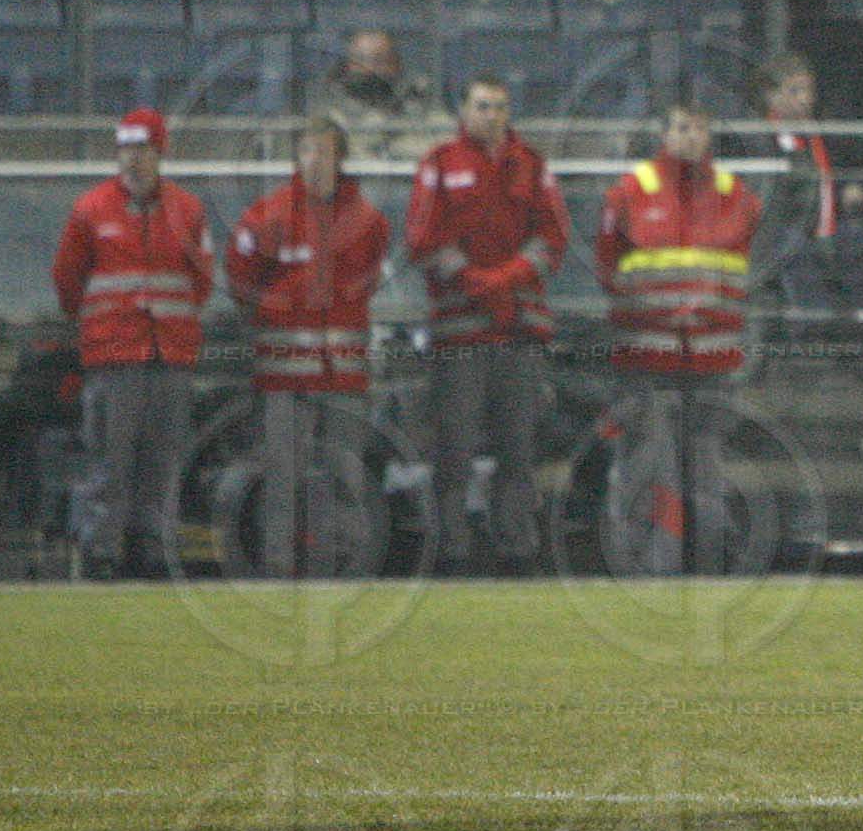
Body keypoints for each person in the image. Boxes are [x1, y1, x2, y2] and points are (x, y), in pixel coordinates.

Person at [406, 77, 570, 576]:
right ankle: (450, 549)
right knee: (453, 446)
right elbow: (422, 237)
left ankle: (518, 549)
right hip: (460, 330)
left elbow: (554, 235)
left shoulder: (532, 164)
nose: (492, 115)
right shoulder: (439, 163)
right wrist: (478, 279)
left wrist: (505, 277)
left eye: (500, 107)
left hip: (520, 329)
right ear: (463, 109)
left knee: (519, 447)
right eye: (482, 106)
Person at [594, 103, 763, 575]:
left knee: (708, 476)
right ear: (664, 135)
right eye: (682, 127)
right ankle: (645, 569)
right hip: (645, 361)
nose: (692, 136)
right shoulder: (628, 193)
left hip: (713, 362)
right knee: (646, 472)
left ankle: (710, 570)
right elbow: (608, 268)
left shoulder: (738, 197)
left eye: (700, 127)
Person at [52, 110, 213, 579]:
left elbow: (202, 282)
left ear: (160, 152)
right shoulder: (90, 209)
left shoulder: (189, 211)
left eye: (141, 149)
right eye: (125, 149)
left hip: (171, 355)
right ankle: (102, 553)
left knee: (163, 460)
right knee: (109, 459)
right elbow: (67, 280)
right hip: (113, 356)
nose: (133, 159)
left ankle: (152, 552)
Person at [227, 118, 390, 580]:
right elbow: (240, 283)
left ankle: (342, 567)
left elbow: (368, 281)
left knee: (345, 477)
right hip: (283, 379)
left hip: (344, 378)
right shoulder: (267, 218)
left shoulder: (368, 224)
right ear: (296, 158)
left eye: (325, 152)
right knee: (281, 477)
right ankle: (278, 567)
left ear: (341, 159)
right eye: (308, 152)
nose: (317, 162)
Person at [750, 55, 839, 333]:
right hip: (778, 235)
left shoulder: (814, 134)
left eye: (808, 91)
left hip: (818, 230)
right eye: (795, 91)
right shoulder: (762, 137)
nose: (804, 99)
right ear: (771, 95)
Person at [307, 29, 449, 163]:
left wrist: (398, 148)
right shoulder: (328, 112)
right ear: (348, 65)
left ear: (396, 63)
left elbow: (445, 148)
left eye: (379, 60)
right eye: (360, 60)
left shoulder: (422, 106)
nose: (369, 68)